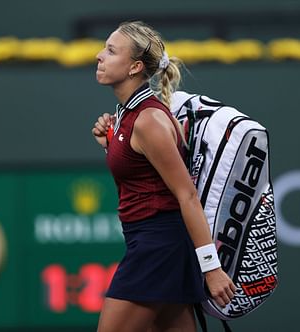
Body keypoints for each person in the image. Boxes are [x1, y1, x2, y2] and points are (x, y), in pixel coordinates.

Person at [91, 21, 236, 332]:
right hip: (154, 244)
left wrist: (211, 268)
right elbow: (142, 176)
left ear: (135, 67)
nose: (99, 55)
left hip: (159, 248)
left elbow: (187, 195)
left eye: (111, 50)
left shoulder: (148, 120)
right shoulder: (128, 115)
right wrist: (110, 145)